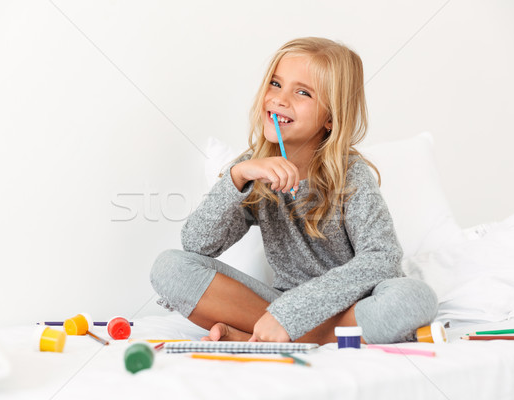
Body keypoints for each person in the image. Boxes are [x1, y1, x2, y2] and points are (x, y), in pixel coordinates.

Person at [150, 37, 438, 345]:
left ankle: (274, 333)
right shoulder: (252, 170)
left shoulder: (350, 173)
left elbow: (383, 258)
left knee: (414, 297)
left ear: (331, 118)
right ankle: (311, 336)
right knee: (169, 268)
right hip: (281, 305)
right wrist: (237, 176)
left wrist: (289, 315)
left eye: (303, 92)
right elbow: (197, 243)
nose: (280, 99)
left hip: (350, 307)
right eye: (275, 84)